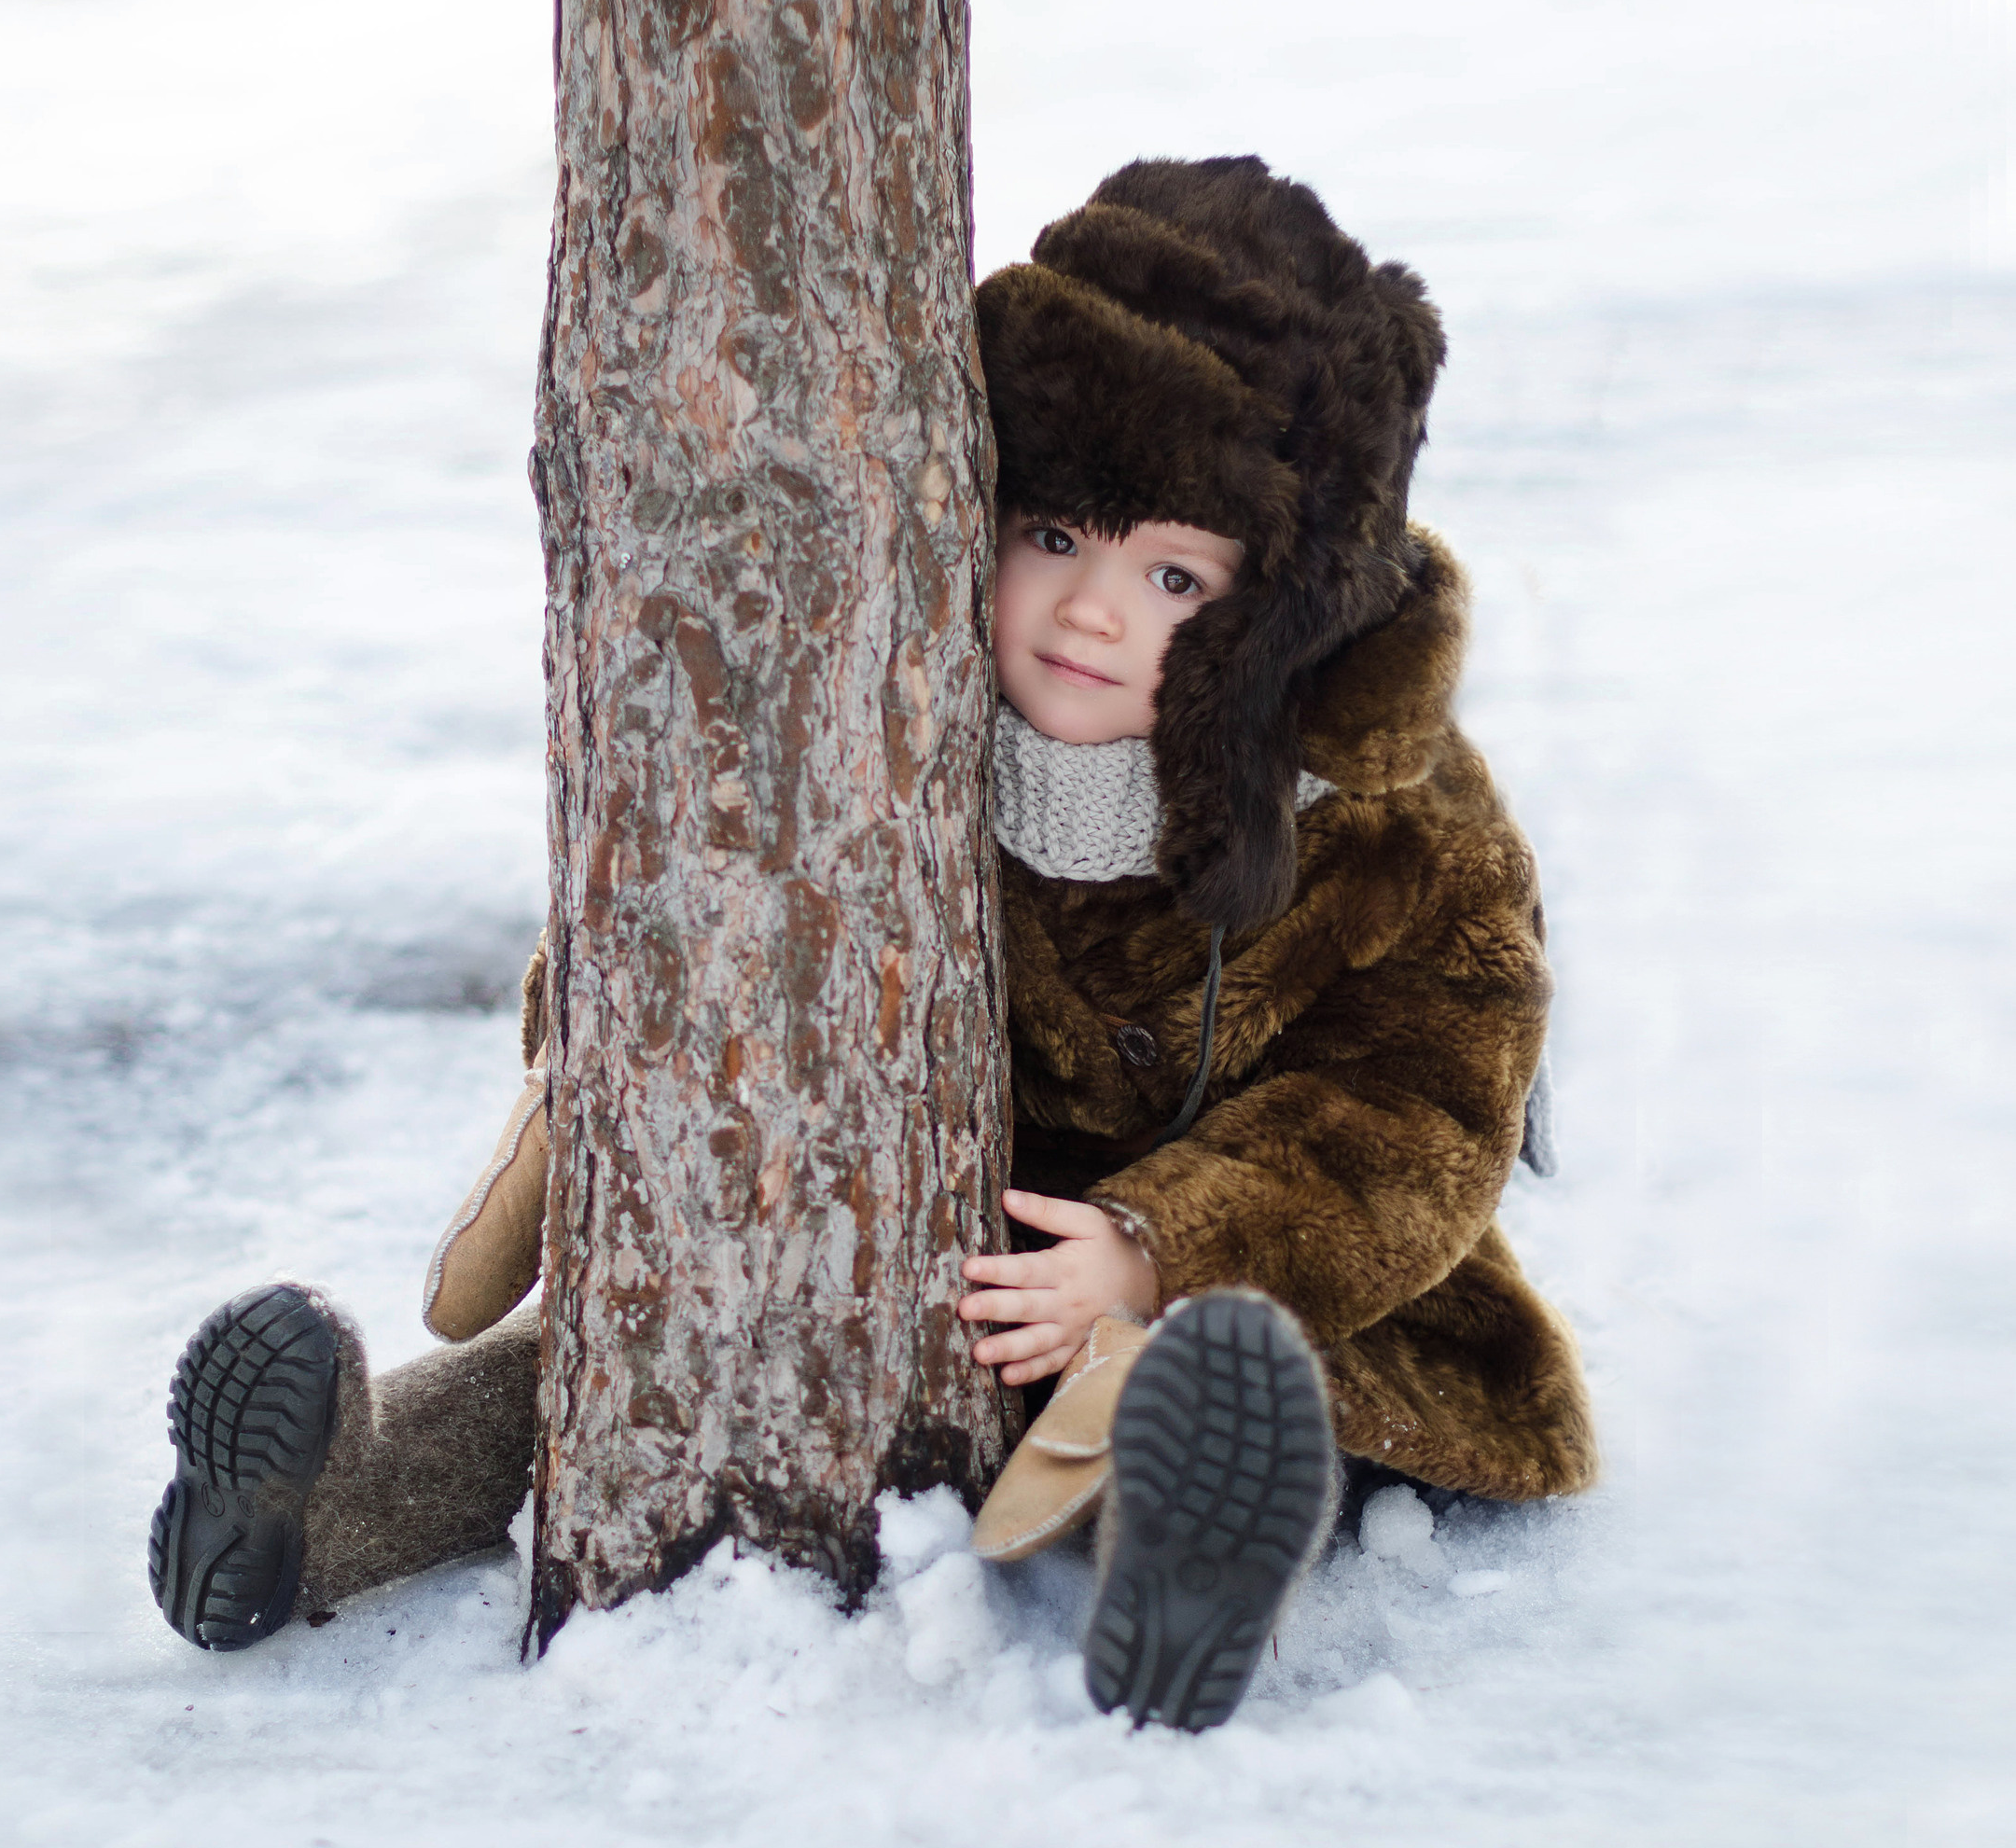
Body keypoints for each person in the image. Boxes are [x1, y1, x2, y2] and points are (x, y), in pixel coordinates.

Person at [146, 157, 1595, 1733]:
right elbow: (690, 925)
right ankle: (321, 1504)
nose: (1090, 612)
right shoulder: (892, 721)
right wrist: (588, 1073)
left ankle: (1194, 1559)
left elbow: (1422, 1106)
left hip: (1264, 1288)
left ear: (1277, 615)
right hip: (909, 1244)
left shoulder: (1393, 817)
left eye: (1173, 576)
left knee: (1195, 1389)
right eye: (1057, 534)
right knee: (638, 1351)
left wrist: (1163, 1244)